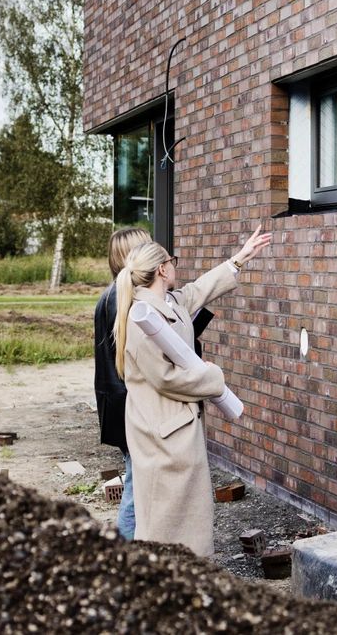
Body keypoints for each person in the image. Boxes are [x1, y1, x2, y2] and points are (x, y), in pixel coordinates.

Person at [113, 224, 272, 556]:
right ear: (161, 269)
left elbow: (202, 289)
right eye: (173, 261)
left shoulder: (170, 301)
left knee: (184, 522)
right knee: (164, 523)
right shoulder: (142, 319)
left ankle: (184, 583)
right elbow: (167, 379)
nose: (175, 266)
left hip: (176, 430)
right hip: (161, 436)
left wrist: (240, 259)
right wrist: (213, 379)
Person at [93, 227, 152, 539]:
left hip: (117, 403)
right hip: (128, 404)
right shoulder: (122, 299)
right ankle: (126, 548)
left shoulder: (112, 294)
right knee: (136, 483)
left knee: (137, 479)